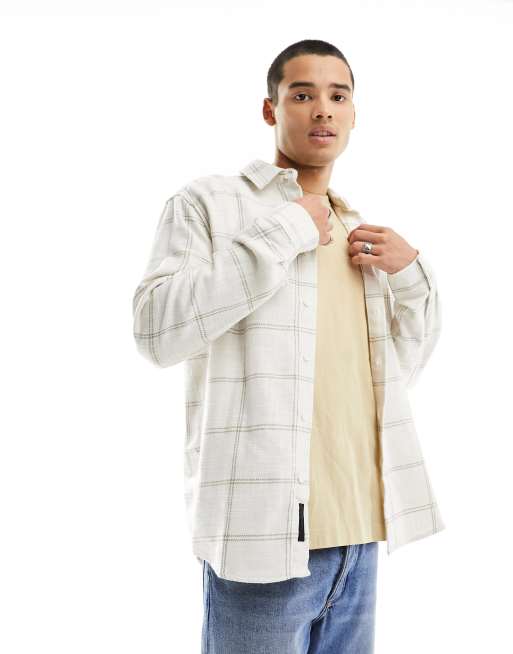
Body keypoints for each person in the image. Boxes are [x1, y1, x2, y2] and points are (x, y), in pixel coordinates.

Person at [132, 38, 445, 654]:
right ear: (270, 109)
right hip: (262, 545)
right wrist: (287, 230)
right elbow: (156, 331)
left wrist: (413, 277)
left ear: (353, 114)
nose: (322, 109)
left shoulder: (357, 232)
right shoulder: (211, 204)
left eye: (338, 96)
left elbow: (393, 378)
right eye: (302, 94)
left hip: (361, 539)